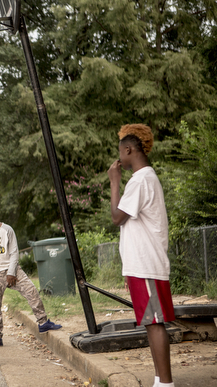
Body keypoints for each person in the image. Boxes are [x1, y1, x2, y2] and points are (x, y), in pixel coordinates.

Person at [108, 124, 175, 387]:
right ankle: (160, 380)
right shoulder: (144, 179)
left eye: (120, 152)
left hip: (147, 265)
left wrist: (114, 181)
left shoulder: (141, 179)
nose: (119, 158)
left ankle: (166, 383)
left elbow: (116, 217)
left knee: (155, 322)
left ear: (128, 149)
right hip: (141, 265)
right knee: (151, 322)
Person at [0, 200, 62, 347]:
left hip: (10, 270)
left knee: (31, 291)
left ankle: (43, 322)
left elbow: (14, 252)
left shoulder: (7, 230)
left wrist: (11, 272)